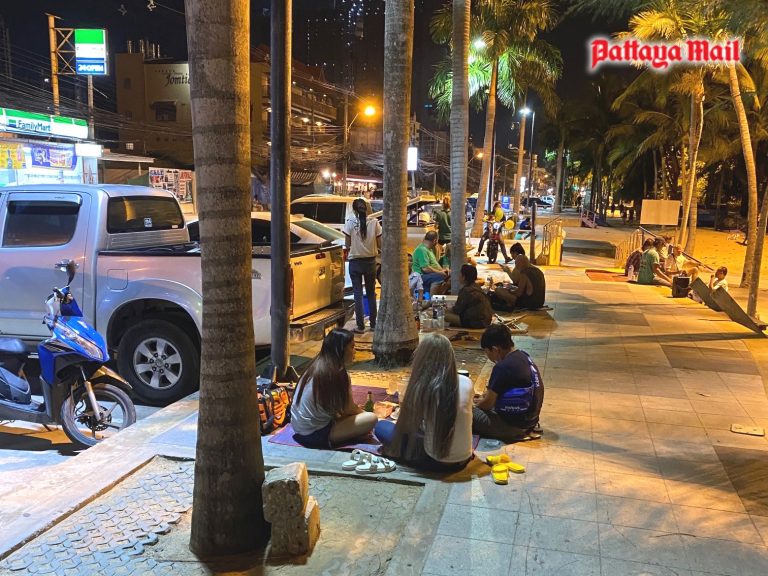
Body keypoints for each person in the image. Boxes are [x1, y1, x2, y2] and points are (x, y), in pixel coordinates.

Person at [375, 333, 473, 472]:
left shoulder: (421, 387)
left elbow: (406, 428)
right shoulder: (467, 382)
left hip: (435, 460)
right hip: (464, 457)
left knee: (381, 427)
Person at [291, 329, 378, 448]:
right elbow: (349, 409)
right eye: (352, 347)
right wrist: (364, 413)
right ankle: (349, 435)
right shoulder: (337, 373)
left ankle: (350, 433)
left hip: (298, 428)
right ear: (340, 349)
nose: (355, 351)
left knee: (354, 417)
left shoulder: (317, 364)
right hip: (314, 435)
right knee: (371, 418)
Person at [472, 324, 544, 443]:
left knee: (464, 410)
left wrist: (475, 405)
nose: (488, 357)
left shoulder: (502, 367)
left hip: (511, 427)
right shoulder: (524, 357)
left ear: (495, 349)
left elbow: (488, 404)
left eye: (487, 352)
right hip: (531, 421)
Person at [344, 198, 382, 334]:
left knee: (358, 294)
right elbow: (380, 244)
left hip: (355, 263)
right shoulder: (374, 222)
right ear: (367, 209)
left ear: (354, 210)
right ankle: (373, 325)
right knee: (371, 293)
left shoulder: (349, 223)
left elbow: (347, 244)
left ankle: (360, 327)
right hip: (370, 262)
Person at [444, 264, 494, 329]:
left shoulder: (466, 290)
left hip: (477, 323)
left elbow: (457, 310)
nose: (459, 276)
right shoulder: (477, 287)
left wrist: (446, 309)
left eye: (460, 274)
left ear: (464, 277)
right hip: (486, 321)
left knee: (445, 316)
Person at [433, 197, 452, 263]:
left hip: (442, 237)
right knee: (450, 254)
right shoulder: (453, 213)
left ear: (442, 204)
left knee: (437, 252)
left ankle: (438, 263)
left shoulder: (439, 213)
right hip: (451, 237)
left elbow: (436, 226)